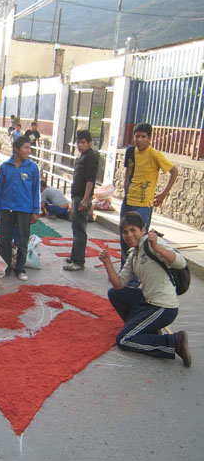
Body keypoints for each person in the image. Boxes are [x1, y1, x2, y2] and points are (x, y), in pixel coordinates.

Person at [98, 211, 191, 367]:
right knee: (115, 293)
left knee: (124, 339)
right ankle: (143, 330)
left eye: (133, 230)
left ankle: (173, 341)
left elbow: (181, 263)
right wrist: (107, 262)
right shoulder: (134, 253)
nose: (129, 235)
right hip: (148, 300)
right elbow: (119, 284)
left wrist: (158, 248)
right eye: (125, 232)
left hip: (163, 306)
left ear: (143, 229)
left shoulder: (152, 243)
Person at [120, 122, 178, 266]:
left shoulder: (155, 155)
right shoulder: (130, 152)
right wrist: (126, 185)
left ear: (149, 138)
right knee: (124, 238)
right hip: (128, 201)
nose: (139, 139)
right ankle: (124, 273)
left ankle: (134, 278)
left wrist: (164, 194)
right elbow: (128, 169)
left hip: (143, 205)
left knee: (137, 241)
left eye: (143, 136)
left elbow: (174, 171)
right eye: (137, 136)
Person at [0, 136, 40, 281]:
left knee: (22, 240)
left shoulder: (32, 167)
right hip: (6, 208)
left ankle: (20, 269)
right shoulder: (5, 167)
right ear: (16, 149)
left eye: (29, 148)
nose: (28, 151)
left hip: (24, 209)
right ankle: (5, 268)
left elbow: (36, 190)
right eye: (26, 148)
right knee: (5, 239)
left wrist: (35, 210)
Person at [63, 129, 98, 272]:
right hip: (77, 196)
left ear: (89, 143)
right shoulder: (83, 155)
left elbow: (90, 181)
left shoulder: (90, 157)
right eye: (78, 142)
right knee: (75, 227)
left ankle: (78, 261)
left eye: (83, 142)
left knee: (80, 230)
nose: (80, 145)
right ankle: (74, 256)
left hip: (82, 198)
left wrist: (85, 199)